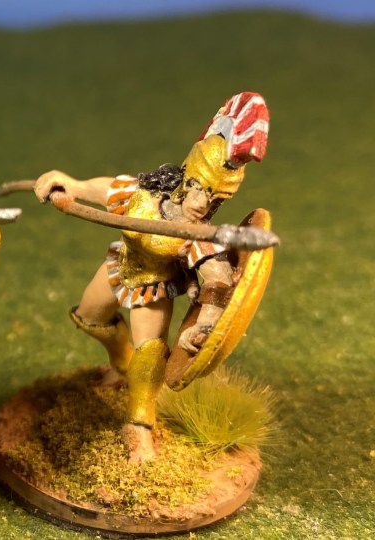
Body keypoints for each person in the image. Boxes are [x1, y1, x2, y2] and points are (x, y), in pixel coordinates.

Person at [31, 93, 269, 463]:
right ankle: (120, 361)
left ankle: (139, 425)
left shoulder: (199, 237)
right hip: (119, 266)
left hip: (153, 289)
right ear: (187, 177)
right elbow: (107, 189)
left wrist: (202, 327)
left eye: (214, 200)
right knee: (88, 318)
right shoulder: (142, 194)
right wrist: (73, 186)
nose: (201, 204)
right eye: (199, 189)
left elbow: (217, 283)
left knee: (150, 353)